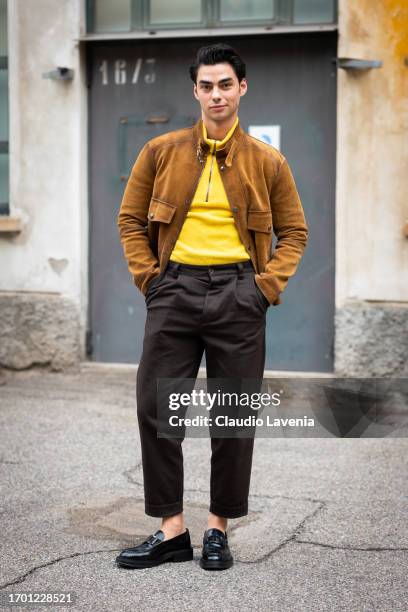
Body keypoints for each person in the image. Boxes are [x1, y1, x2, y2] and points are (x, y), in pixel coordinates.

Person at [115, 43, 308, 570]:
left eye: (225, 84)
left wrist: (263, 289)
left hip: (239, 296)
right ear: (195, 91)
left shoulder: (267, 160)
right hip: (172, 292)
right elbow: (130, 220)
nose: (216, 94)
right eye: (207, 85)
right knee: (156, 411)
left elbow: (294, 232)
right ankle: (171, 531)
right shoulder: (161, 151)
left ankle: (218, 528)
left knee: (231, 416)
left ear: (241, 88)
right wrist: (150, 280)